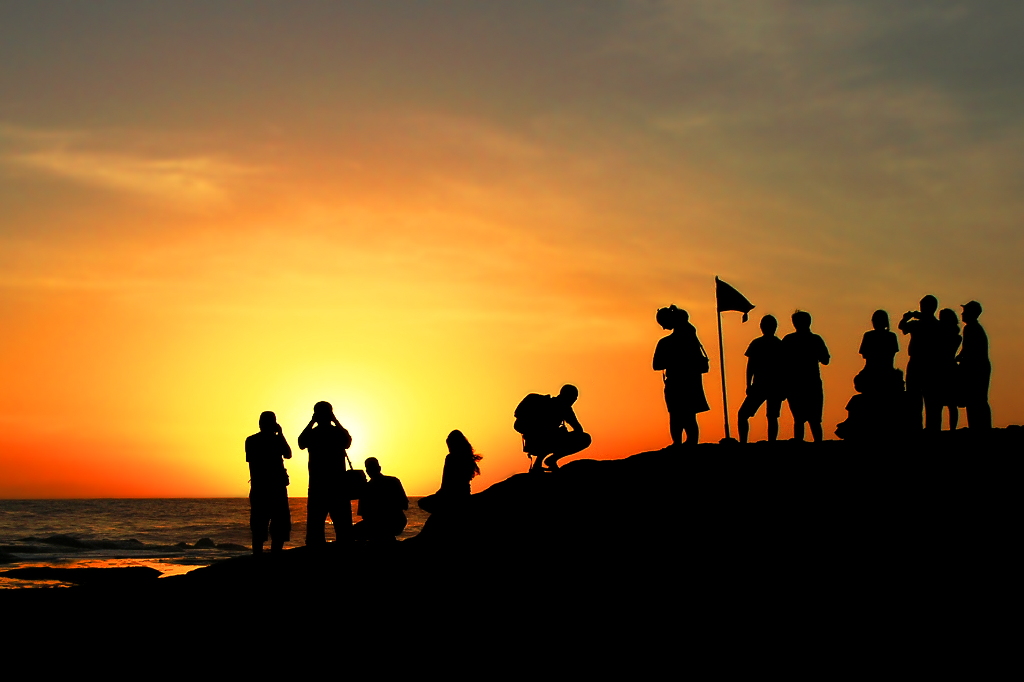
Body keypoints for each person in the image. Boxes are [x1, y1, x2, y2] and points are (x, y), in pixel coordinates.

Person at [298, 401, 354, 546]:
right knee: (342, 529)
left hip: (322, 486)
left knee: (317, 528)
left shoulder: (315, 433)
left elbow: (301, 442)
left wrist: (312, 421)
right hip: (333, 486)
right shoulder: (334, 432)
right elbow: (301, 443)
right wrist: (334, 420)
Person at [653, 305, 710, 446]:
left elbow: (657, 365)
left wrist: (673, 360)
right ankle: (683, 443)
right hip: (688, 381)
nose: (663, 327)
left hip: (681, 382)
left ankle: (681, 443)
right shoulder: (689, 338)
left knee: (680, 415)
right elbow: (657, 365)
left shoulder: (669, 342)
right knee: (685, 416)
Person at [244, 411, 292, 554]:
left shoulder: (251, 440)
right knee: (272, 524)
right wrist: (280, 434)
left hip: (262, 488)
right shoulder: (270, 440)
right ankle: (271, 555)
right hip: (272, 488)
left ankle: (260, 556)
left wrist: (279, 435)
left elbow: (288, 454)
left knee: (262, 525)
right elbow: (288, 454)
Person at [514, 385, 593, 472]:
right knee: (584, 438)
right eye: (573, 397)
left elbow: (578, 429)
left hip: (536, 441)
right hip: (536, 441)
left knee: (554, 435)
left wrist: (561, 432)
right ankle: (546, 461)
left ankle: (546, 461)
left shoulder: (565, 409)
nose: (574, 400)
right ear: (566, 396)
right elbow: (578, 430)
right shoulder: (559, 407)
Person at [782, 310, 830, 442]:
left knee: (800, 420)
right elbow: (826, 359)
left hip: (797, 384)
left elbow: (781, 363)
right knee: (813, 421)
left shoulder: (789, 340)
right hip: (809, 384)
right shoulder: (815, 339)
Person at [737, 315, 785, 444]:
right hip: (767, 385)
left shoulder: (761, 343)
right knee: (770, 416)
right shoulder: (777, 344)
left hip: (764, 385)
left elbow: (750, 366)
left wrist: (748, 384)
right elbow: (751, 366)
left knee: (767, 416)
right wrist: (748, 384)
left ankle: (745, 442)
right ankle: (769, 442)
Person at [898, 295, 943, 432]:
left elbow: (903, 326)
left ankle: (926, 428)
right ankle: (922, 427)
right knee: (917, 398)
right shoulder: (933, 324)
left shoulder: (931, 324)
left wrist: (908, 318)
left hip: (926, 364)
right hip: (921, 363)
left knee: (928, 399)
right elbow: (903, 327)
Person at [354, 457, 409, 542]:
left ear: (367, 471)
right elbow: (405, 505)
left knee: (352, 533)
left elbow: (364, 515)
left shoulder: (366, 488)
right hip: (397, 522)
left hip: (382, 525)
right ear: (379, 468)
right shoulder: (394, 481)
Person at [957, 300, 992, 430]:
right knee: (978, 400)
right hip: (979, 367)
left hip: (976, 369)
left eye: (965, 312)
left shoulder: (971, 329)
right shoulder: (974, 328)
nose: (962, 314)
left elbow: (969, 350)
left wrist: (960, 360)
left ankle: (979, 427)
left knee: (976, 400)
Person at [937, 308, 963, 430]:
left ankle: (943, 427)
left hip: (943, 368)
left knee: (942, 402)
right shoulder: (956, 336)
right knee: (951, 403)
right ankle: (952, 428)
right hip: (951, 368)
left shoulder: (942, 336)